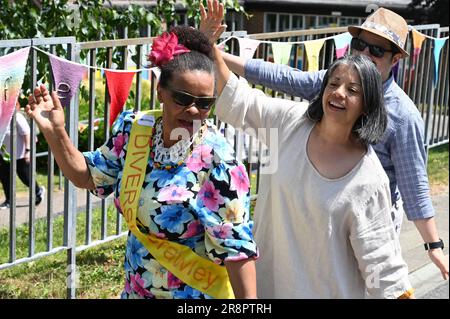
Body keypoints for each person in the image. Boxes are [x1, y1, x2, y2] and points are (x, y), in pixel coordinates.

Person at [201, 1, 449, 280]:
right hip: (317, 214)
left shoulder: (403, 118)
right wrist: (215, 55)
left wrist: (432, 246)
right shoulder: (326, 90)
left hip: (366, 224)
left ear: (396, 60)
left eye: (377, 50)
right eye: (360, 45)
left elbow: (414, 186)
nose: (365, 55)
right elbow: (282, 78)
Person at [25, 26, 258, 299]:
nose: (194, 110)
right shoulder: (134, 129)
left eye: (205, 103)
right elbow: (88, 177)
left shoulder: (219, 162)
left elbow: (237, 252)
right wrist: (56, 133)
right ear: (160, 91)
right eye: (183, 98)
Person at [214, 32, 414, 297]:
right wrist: (209, 47)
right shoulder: (290, 122)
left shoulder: (369, 180)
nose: (339, 93)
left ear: (367, 107)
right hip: (265, 290)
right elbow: (242, 101)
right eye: (334, 83)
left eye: (353, 90)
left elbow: (381, 265)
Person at [0, 101, 45, 210]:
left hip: (20, 154)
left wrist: (28, 151)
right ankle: (9, 201)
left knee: (25, 177)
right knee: (5, 177)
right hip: (5, 154)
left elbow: (27, 134)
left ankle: (38, 191)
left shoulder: (17, 117)